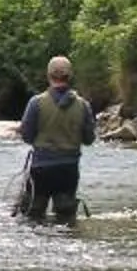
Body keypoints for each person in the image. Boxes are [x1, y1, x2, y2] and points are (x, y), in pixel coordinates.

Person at [16, 55, 93, 224]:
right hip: (68, 170)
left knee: (32, 219)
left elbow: (27, 136)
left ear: (48, 75)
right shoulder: (83, 105)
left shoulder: (35, 103)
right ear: (69, 76)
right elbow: (89, 139)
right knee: (66, 220)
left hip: (40, 169)